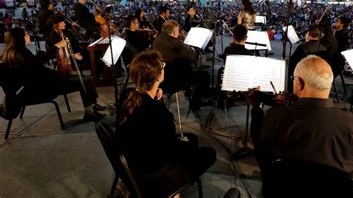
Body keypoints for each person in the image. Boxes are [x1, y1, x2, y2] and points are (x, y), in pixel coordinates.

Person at [246, 55, 353, 196]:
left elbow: (261, 150)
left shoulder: (277, 116)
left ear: (299, 83)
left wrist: (256, 108)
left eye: (293, 79)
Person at [116, 50, 216, 197]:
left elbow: (150, 128)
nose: (164, 67)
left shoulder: (127, 98)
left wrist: (156, 101)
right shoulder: (160, 114)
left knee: (192, 139)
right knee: (209, 153)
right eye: (162, 66)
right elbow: (171, 150)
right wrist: (187, 145)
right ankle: (173, 191)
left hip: (134, 161)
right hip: (154, 173)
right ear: (157, 76)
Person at [1, 28, 103, 121]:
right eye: (26, 34)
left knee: (85, 79)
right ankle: (90, 112)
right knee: (84, 81)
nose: (29, 35)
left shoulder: (11, 55)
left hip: (38, 87)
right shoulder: (21, 55)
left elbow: (37, 68)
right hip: (42, 90)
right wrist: (56, 47)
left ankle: (93, 105)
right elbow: (38, 66)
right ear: (19, 38)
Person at [152, 20, 209, 111]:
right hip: (173, 81)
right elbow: (193, 57)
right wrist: (192, 49)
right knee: (204, 75)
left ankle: (188, 92)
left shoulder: (157, 40)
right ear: (174, 32)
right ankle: (196, 103)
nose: (179, 32)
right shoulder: (175, 43)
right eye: (178, 30)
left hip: (160, 79)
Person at [287, 24, 328, 93]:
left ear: (309, 34)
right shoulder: (324, 49)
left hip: (303, 78)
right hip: (319, 79)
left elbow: (292, 64)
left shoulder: (302, 48)